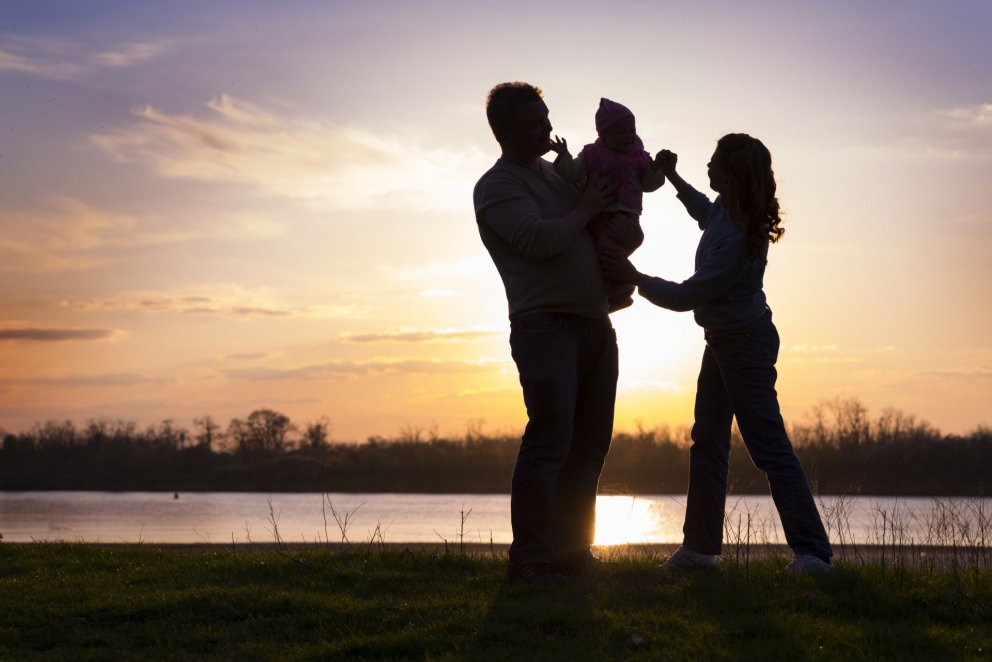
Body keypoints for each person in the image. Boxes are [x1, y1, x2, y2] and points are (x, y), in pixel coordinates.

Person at [601, 134, 834, 574]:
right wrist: (673, 178)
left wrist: (633, 276)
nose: (706, 167)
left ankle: (813, 554)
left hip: (744, 343)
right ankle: (699, 549)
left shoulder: (739, 238)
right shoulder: (728, 212)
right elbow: (704, 212)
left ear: (730, 175)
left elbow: (688, 295)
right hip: (723, 340)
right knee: (707, 441)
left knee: (768, 446)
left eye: (712, 163)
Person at [473, 82, 625, 584]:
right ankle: (532, 559)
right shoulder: (497, 187)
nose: (547, 127)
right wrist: (585, 208)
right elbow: (539, 240)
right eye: (535, 122)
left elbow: (590, 224)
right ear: (507, 131)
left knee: (590, 447)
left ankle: (572, 553)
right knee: (549, 443)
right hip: (546, 329)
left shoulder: (553, 174)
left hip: (596, 326)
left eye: (546, 117)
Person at [550, 98, 666, 312]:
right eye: (622, 132)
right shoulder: (592, 154)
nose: (629, 136)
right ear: (604, 135)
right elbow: (573, 173)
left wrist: (658, 168)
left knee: (608, 251)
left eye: (632, 130)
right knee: (597, 255)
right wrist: (563, 156)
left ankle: (620, 293)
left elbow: (649, 184)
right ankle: (610, 291)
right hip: (599, 215)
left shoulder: (639, 157)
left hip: (625, 215)